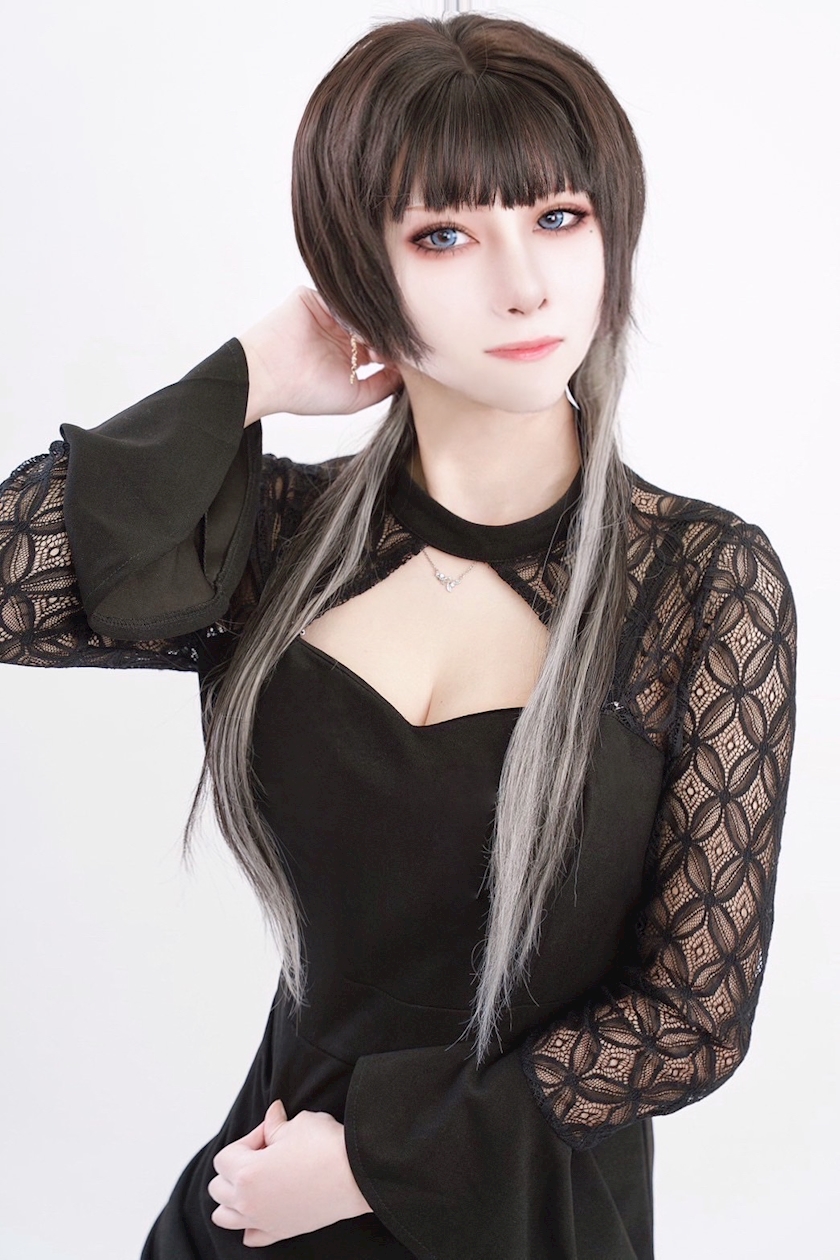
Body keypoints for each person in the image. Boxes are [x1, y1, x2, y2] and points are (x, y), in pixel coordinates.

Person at [0, 13, 797, 1260]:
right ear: (359, 272)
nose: (523, 284)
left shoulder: (701, 583)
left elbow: (695, 1014)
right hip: (255, 1201)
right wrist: (248, 376)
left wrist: (373, 1162)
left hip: (521, 1212)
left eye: (559, 217)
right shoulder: (277, 540)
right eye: (444, 235)